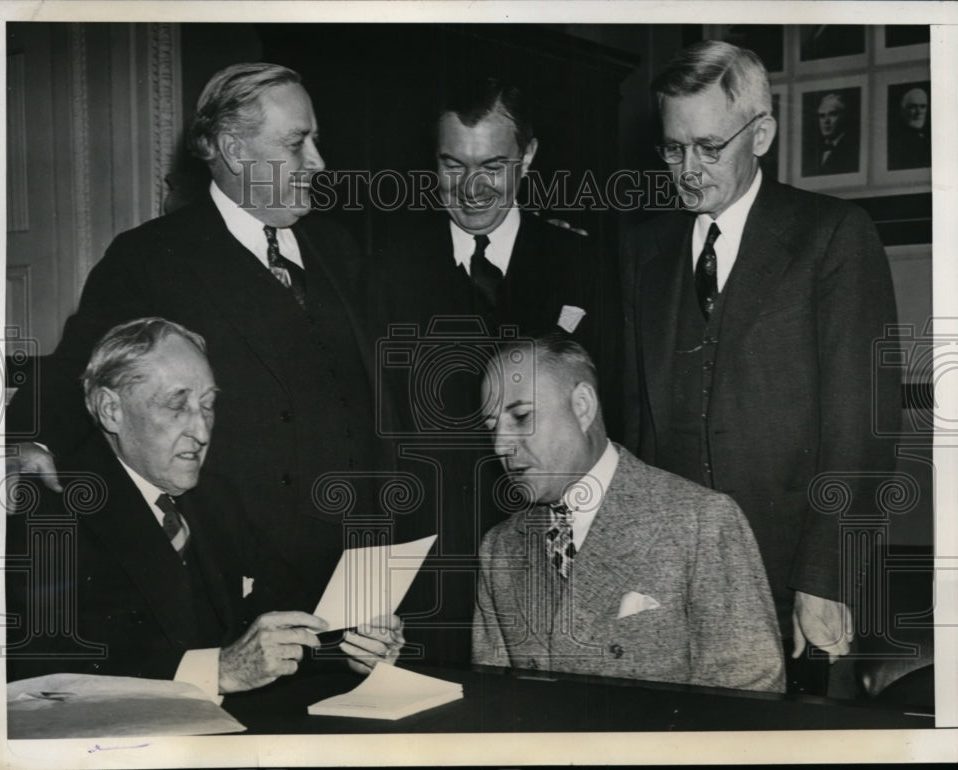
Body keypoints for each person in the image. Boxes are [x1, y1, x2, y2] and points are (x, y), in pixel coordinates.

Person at [6, 63, 390, 613]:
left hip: (356, 568)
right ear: (235, 151)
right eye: (296, 143)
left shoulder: (339, 250)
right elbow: (79, 368)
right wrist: (32, 442)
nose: (318, 162)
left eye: (316, 140)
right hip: (240, 573)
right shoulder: (151, 257)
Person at [621, 41, 901, 694]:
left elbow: (862, 428)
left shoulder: (831, 237)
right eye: (673, 148)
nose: (688, 170)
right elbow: (636, 430)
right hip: (669, 586)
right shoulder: (642, 251)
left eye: (709, 147)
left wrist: (826, 580)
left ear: (763, 133)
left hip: (793, 582)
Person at [368, 75, 624, 666]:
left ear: (528, 157)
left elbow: (615, 425)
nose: (473, 188)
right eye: (453, 165)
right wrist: (369, 597)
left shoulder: (584, 264)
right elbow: (371, 445)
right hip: (427, 575)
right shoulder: (383, 274)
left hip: (554, 559)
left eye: (494, 165)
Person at [6, 318, 403, 695]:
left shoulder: (214, 498)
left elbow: (265, 622)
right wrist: (217, 673)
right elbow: (44, 678)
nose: (200, 431)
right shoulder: (49, 509)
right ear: (112, 410)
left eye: (208, 405)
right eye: (177, 405)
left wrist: (347, 648)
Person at [472, 335, 785, 693]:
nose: (500, 445)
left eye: (521, 416)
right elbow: (494, 703)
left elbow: (748, 693)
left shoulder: (700, 522)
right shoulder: (499, 548)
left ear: (583, 406)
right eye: (492, 426)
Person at [804, 92, 860, 176]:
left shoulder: (854, 150)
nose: (826, 121)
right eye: (822, 116)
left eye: (832, 114)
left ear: (844, 117)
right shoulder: (813, 153)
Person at [888, 86, 930, 170]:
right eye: (913, 107)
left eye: (923, 106)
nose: (919, 112)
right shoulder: (896, 138)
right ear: (903, 110)